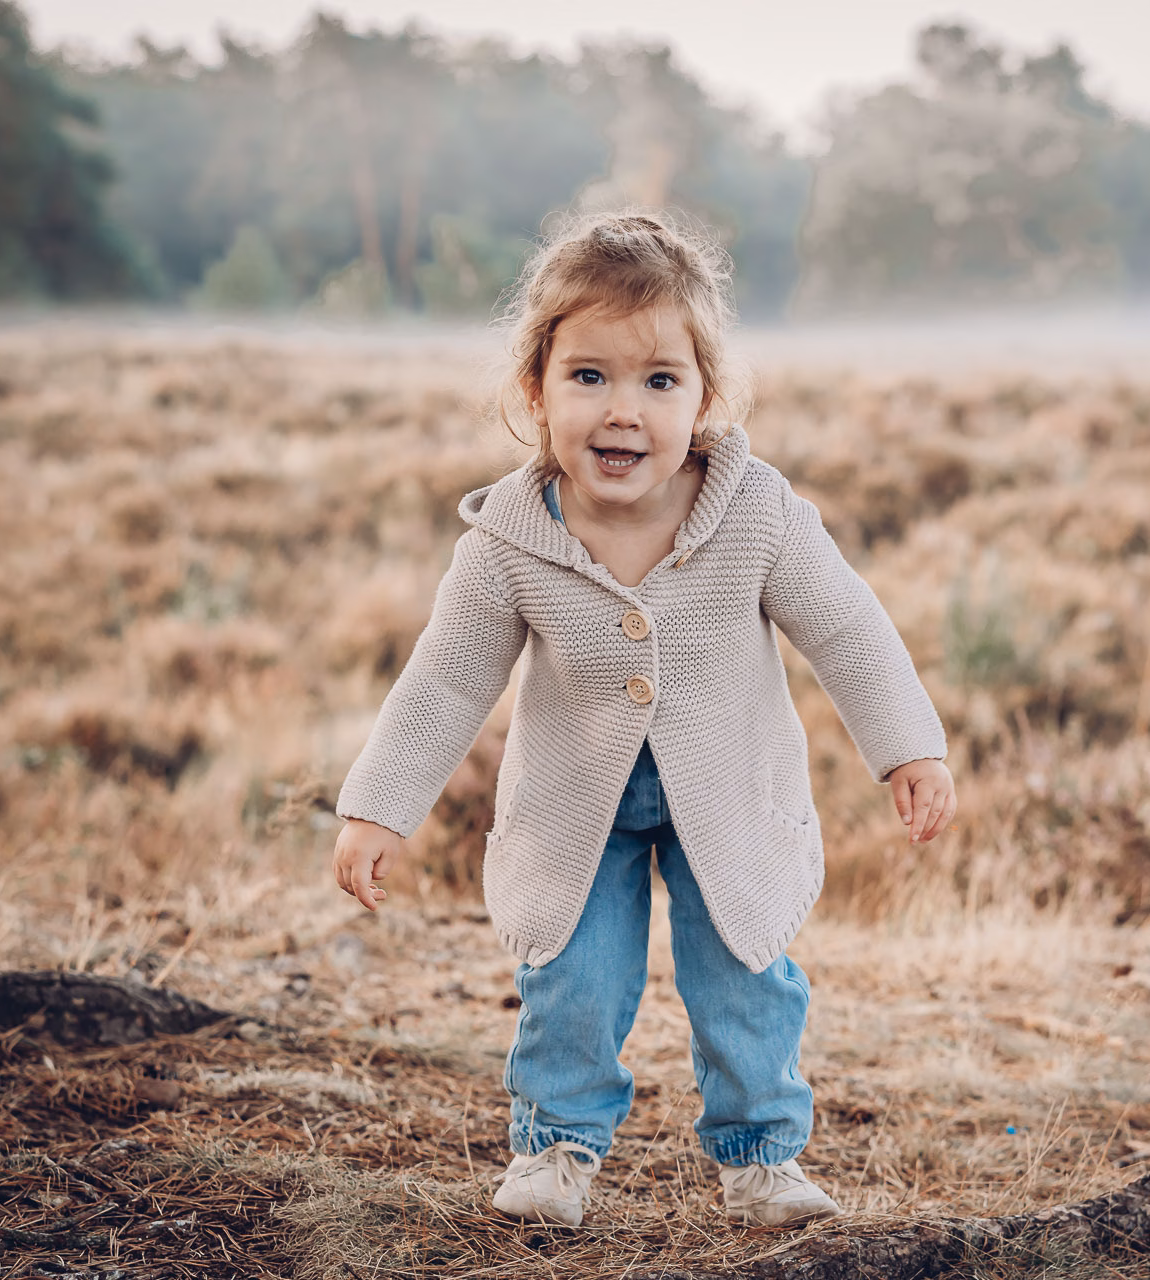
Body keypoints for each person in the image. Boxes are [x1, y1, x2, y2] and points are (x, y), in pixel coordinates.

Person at [330, 211, 956, 1229]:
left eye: (660, 379)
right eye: (589, 376)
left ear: (706, 397)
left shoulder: (755, 510)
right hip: (576, 807)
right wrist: (378, 807)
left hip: (730, 795)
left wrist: (908, 746)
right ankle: (555, 1145)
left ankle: (762, 1155)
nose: (623, 410)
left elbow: (846, 624)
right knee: (570, 974)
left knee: (748, 973)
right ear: (535, 388)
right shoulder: (509, 538)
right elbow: (444, 681)